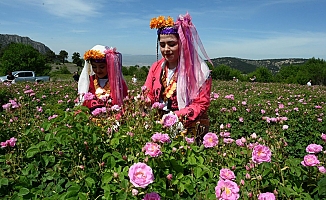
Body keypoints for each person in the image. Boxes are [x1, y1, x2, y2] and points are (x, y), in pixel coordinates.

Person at [144, 13, 212, 140]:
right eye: (162, 45)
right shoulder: (156, 67)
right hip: (159, 124)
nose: (166, 49)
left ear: (182, 43)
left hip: (188, 126)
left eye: (171, 44)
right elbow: (148, 93)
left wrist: (177, 116)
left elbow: (201, 104)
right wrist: (145, 102)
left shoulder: (199, 70)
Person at [78, 45, 128, 110]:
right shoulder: (90, 81)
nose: (98, 71)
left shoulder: (118, 83)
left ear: (109, 66)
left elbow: (125, 104)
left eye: (102, 67)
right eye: (94, 67)